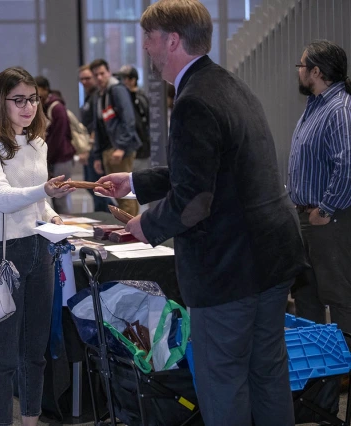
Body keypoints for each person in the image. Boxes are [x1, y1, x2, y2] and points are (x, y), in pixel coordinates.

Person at [96, 1, 308, 425]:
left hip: (230, 268)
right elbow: (206, 171)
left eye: (149, 39)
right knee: (267, 373)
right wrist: (135, 183)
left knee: (222, 379)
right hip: (271, 258)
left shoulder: (194, 101)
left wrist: (145, 224)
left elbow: (194, 201)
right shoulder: (227, 85)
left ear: (172, 39)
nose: (146, 50)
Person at [0, 67, 74, 426]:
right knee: (3, 357)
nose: (28, 107)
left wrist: (51, 212)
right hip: (3, 253)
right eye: (19, 100)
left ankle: (30, 420)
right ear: (1, 101)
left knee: (36, 352)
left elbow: (34, 201)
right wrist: (44, 193)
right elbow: (1, 198)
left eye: (33, 99)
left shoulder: (38, 144)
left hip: (40, 249)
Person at [288, 41, 351, 338]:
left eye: (302, 66)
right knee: (307, 296)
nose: (299, 72)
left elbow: (347, 163)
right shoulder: (316, 106)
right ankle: (318, 377)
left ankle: (343, 375)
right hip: (309, 220)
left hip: (329, 220)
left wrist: (326, 209)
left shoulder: (339, 109)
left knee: (339, 298)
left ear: (316, 71)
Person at [90, 58, 141, 216]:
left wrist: (121, 147)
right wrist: (97, 155)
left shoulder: (117, 90)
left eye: (102, 73)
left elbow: (128, 119)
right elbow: (98, 127)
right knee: (116, 194)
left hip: (120, 149)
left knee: (125, 195)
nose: (99, 77)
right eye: (96, 75)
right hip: (109, 149)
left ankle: (132, 231)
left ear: (108, 73)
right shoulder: (101, 95)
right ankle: (128, 229)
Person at [35, 75, 75, 214]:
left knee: (61, 197)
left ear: (46, 89)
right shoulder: (43, 107)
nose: (37, 96)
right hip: (52, 158)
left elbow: (59, 135)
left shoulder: (57, 108)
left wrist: (47, 156)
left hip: (62, 158)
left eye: (39, 92)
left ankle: (64, 228)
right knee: (54, 197)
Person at [78, 65, 111, 213]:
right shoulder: (89, 98)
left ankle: (107, 215)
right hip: (91, 148)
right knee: (91, 185)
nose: (85, 82)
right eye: (82, 79)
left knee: (96, 187)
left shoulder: (97, 97)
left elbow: (96, 127)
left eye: (87, 78)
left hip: (96, 148)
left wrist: (88, 148)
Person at [118, 65, 151, 171]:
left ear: (133, 80)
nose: (122, 82)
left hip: (141, 149)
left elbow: (143, 124)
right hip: (129, 149)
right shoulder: (123, 98)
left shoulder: (140, 98)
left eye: (124, 79)